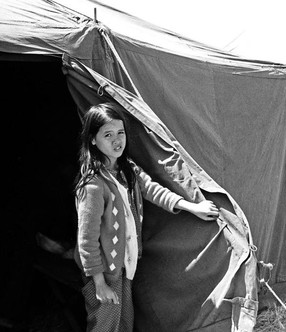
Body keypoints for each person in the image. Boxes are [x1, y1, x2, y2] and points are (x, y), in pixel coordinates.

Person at [74, 102, 219, 332]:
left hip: (124, 268)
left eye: (120, 133)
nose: (116, 140)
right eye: (107, 135)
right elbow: (87, 241)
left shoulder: (125, 169)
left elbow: (152, 190)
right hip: (103, 272)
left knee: (124, 323)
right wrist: (99, 283)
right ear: (93, 140)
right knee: (104, 326)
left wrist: (192, 207)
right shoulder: (93, 186)